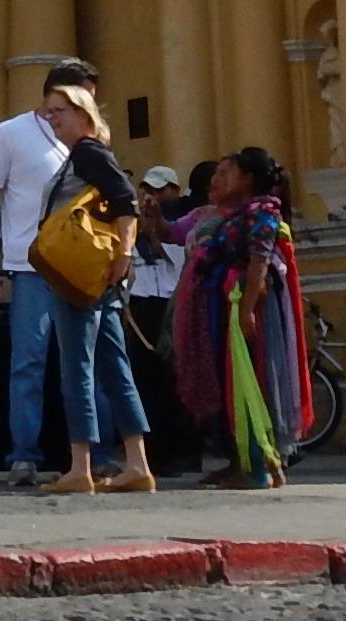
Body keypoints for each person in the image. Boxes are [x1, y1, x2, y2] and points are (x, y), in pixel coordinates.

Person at [0, 57, 104, 486]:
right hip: (30, 265)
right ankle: (24, 454)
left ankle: (93, 454)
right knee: (29, 360)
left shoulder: (90, 137)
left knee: (86, 361)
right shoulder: (12, 133)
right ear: (55, 96)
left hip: (81, 265)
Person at [31, 88, 156, 496]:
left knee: (77, 369)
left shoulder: (87, 152)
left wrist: (124, 253)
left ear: (83, 113)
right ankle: (137, 463)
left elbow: (125, 200)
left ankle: (80, 466)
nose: (52, 119)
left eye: (59, 111)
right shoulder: (86, 154)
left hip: (82, 276)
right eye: (47, 113)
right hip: (99, 276)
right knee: (114, 368)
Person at [174, 147, 311, 489]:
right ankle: (244, 460)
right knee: (231, 382)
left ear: (248, 178)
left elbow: (259, 261)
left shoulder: (262, 209)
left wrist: (248, 308)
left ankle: (259, 467)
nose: (218, 179)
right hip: (227, 305)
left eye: (227, 172)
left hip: (244, 307)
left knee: (249, 382)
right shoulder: (237, 213)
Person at [123, 166, 185, 349]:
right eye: (149, 191)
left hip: (170, 297)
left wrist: (155, 231)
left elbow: (177, 258)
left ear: (175, 190)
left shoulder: (182, 220)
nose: (154, 196)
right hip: (140, 298)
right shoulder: (136, 218)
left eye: (160, 191)